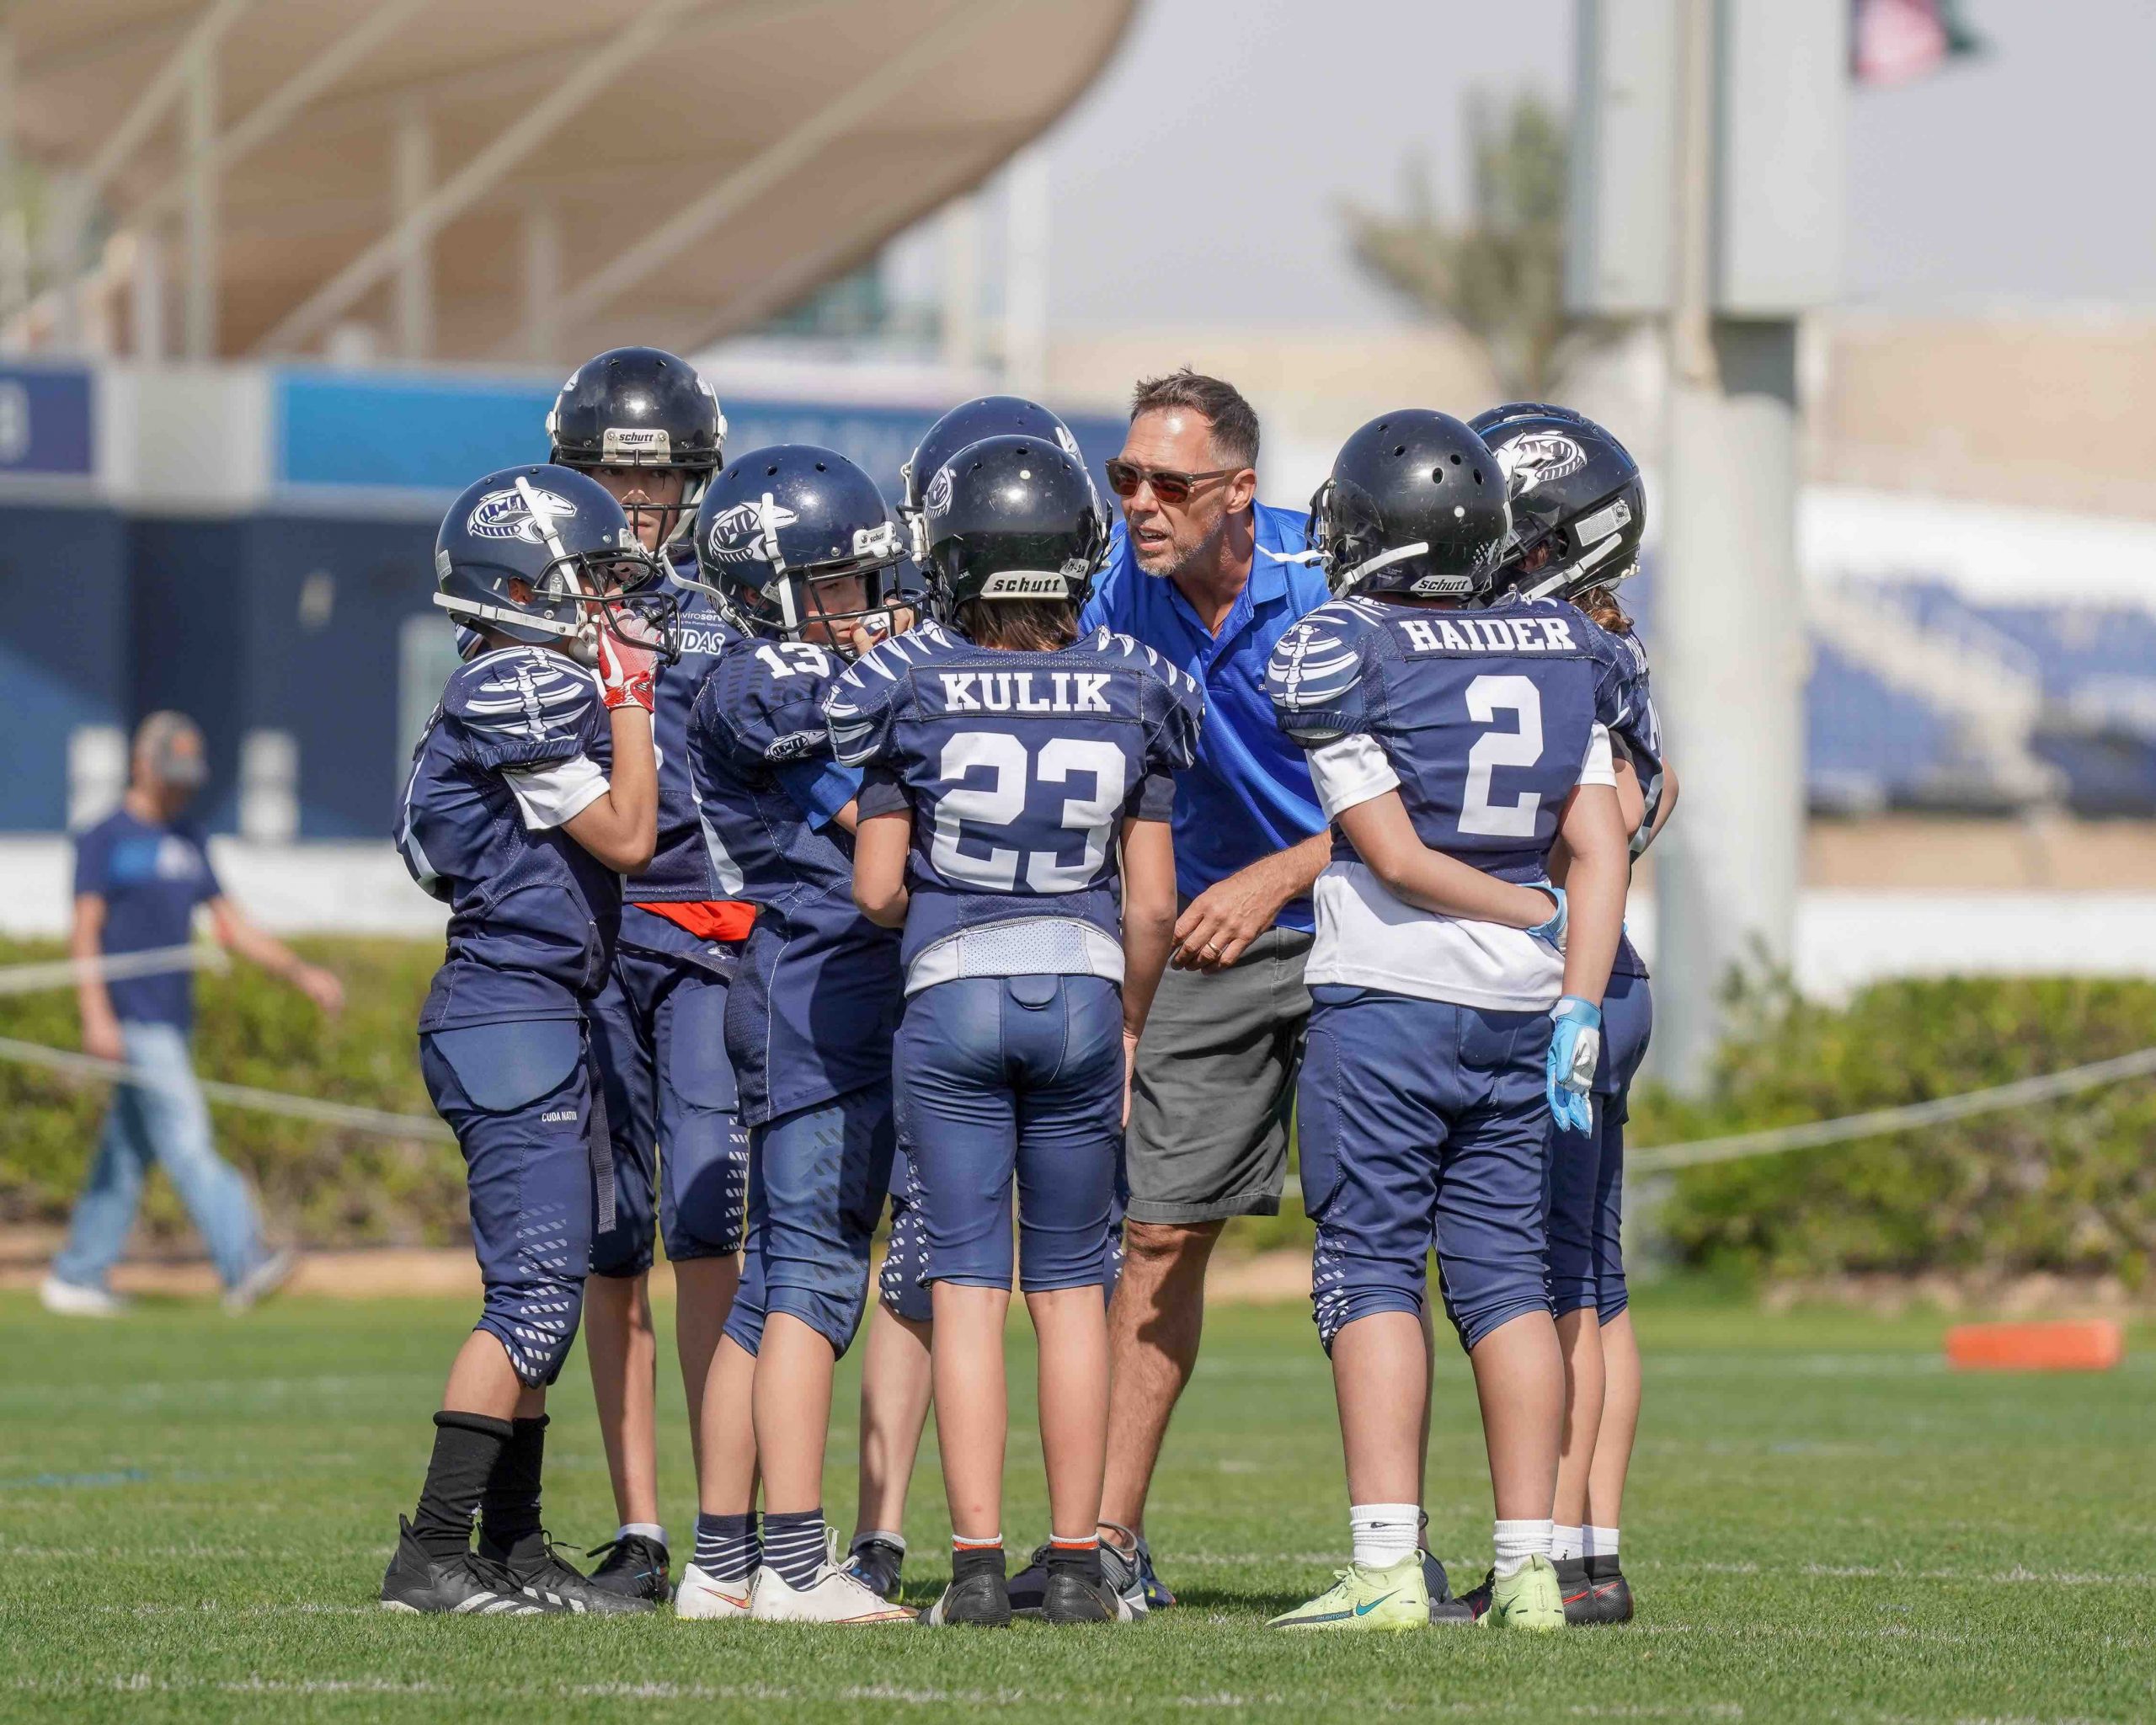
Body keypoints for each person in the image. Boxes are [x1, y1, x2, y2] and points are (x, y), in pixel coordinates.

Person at [1260, 409, 1630, 1632]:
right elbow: (1601, 840)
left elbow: (1399, 859)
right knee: (1509, 1284)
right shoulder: (1566, 646)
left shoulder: (1342, 647)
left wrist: (1521, 909)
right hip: (1526, 1019)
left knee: (1369, 1269)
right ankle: (1532, 1570)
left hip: (1392, 1000)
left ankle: (1385, 1569)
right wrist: (1577, 992)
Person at [830, 434, 1201, 1626]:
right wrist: (1129, 1017)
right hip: (1086, 992)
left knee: (968, 1288)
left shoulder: (906, 683)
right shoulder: (1137, 682)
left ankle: (978, 1570)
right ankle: (1080, 1564)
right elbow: (1152, 901)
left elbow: (876, 889)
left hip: (949, 990)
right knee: (1073, 1289)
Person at [993, 368, 1331, 1611]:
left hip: (1360, 922)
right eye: (1124, 477)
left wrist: (1287, 871)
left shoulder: (1337, 580)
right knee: (1154, 1231)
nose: (1139, 502)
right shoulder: (1103, 594)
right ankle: (1107, 1543)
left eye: (1169, 483)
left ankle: (1405, 1551)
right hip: (1194, 941)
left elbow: (1437, 783)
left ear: (1244, 492)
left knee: (1383, 1253)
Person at [379, 465, 668, 1616]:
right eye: (587, 577)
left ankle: (515, 1548)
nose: (603, 599)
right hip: (511, 1012)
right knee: (535, 1300)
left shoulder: (521, 681)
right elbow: (632, 836)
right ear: (524, 582)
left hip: (540, 1007)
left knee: (541, 1286)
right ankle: (434, 1552)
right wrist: (636, 699)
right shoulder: (510, 684)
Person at [675, 446, 915, 1625]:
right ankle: (796, 1561)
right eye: (835, 585)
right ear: (772, 581)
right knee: (815, 1281)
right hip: (820, 999)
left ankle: (721, 1565)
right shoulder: (759, 679)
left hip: (796, 992)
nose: (860, 609)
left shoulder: (760, 670)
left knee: (770, 1290)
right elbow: (873, 792)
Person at [545, 347, 749, 1604]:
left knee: (708, 1222)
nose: (634, 503)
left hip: (709, 932)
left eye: (658, 476)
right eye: (612, 476)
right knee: (610, 1241)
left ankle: (732, 1520)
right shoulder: (528, 603)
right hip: (588, 939)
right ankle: (640, 1528)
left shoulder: (722, 604)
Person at [1472, 403, 1678, 1626]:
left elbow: (1604, 821)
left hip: (1564, 981)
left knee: (1552, 1283)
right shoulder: (1612, 648)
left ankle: (1545, 1553)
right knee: (1593, 1283)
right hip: (1615, 973)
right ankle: (1591, 1548)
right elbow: (1658, 798)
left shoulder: (1548, 647)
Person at [41, 712, 343, 1318]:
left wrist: (299, 972)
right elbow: (84, 931)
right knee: (187, 1140)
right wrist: (95, 1016)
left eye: (189, 776)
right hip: (132, 1019)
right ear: (140, 765)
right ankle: (245, 1259)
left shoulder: (189, 839)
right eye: (170, 773)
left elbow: (229, 924)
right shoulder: (104, 838)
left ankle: (75, 1275)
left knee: (125, 1153)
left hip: (170, 1019)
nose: (182, 788)